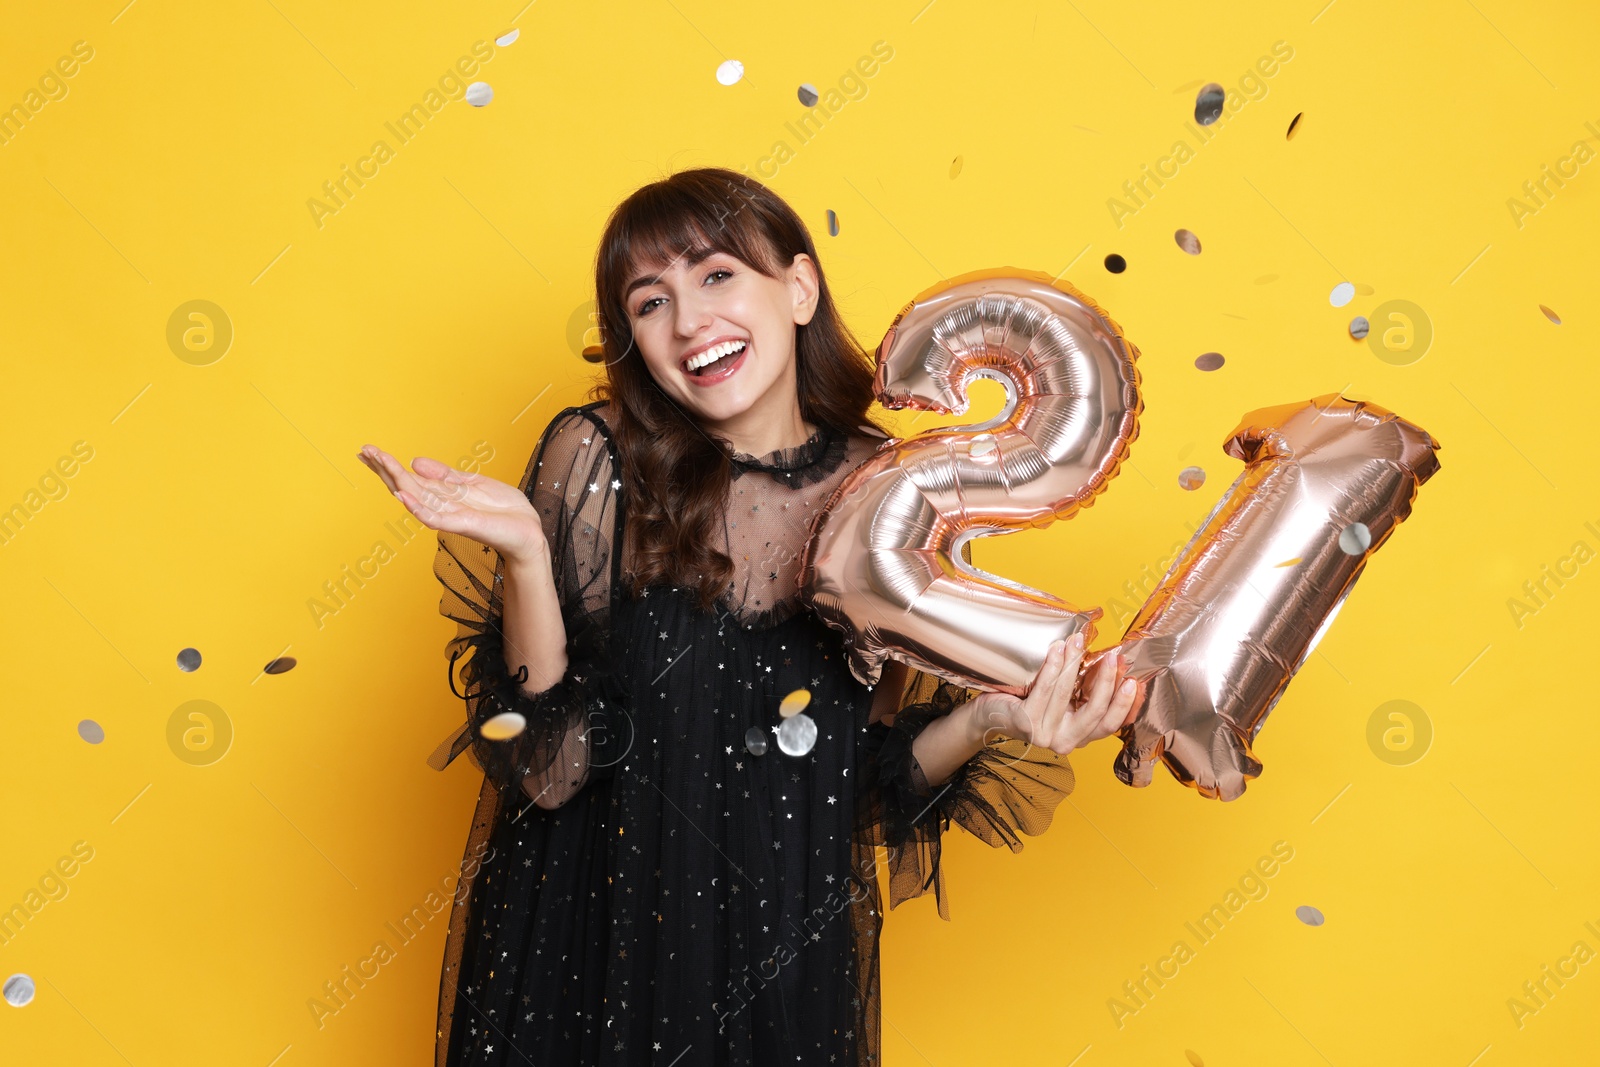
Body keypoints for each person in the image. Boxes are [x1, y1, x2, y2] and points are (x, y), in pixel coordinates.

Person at [358, 167, 1137, 1066]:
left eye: (718, 274)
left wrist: (994, 714)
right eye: (650, 302)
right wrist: (529, 555)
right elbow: (548, 772)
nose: (690, 321)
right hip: (588, 958)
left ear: (799, 288)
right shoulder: (597, 456)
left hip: (778, 969)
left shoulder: (895, 490)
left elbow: (861, 788)